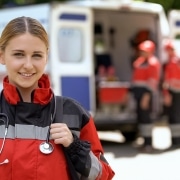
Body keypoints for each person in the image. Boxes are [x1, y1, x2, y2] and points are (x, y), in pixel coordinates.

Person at [0, 16, 115, 180]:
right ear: (2, 56)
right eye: (19, 54)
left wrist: (75, 147)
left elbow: (104, 176)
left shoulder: (73, 113)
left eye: (37, 55)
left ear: (46, 57)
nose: (28, 64)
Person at [131, 40, 161, 153]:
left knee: (146, 118)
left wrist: (146, 96)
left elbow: (153, 81)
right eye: (142, 51)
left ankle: (149, 143)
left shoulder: (153, 63)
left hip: (145, 94)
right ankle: (144, 141)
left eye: (145, 51)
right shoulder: (139, 61)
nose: (143, 53)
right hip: (138, 93)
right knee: (141, 118)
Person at [162, 40, 180, 148]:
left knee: (176, 116)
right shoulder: (169, 62)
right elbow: (166, 80)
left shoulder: (174, 62)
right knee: (173, 117)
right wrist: (166, 93)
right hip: (171, 92)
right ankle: (175, 140)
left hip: (176, 92)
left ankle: (177, 141)